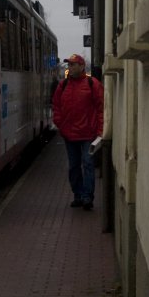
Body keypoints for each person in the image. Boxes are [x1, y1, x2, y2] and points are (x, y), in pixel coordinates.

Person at [52, 53, 104, 210]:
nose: (70, 67)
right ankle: (78, 195)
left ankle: (87, 197)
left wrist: (100, 131)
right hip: (70, 135)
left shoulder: (92, 84)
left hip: (88, 134)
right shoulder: (63, 85)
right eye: (69, 65)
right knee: (74, 166)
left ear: (82, 66)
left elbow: (101, 108)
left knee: (88, 164)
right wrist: (60, 124)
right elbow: (56, 106)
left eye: (74, 64)